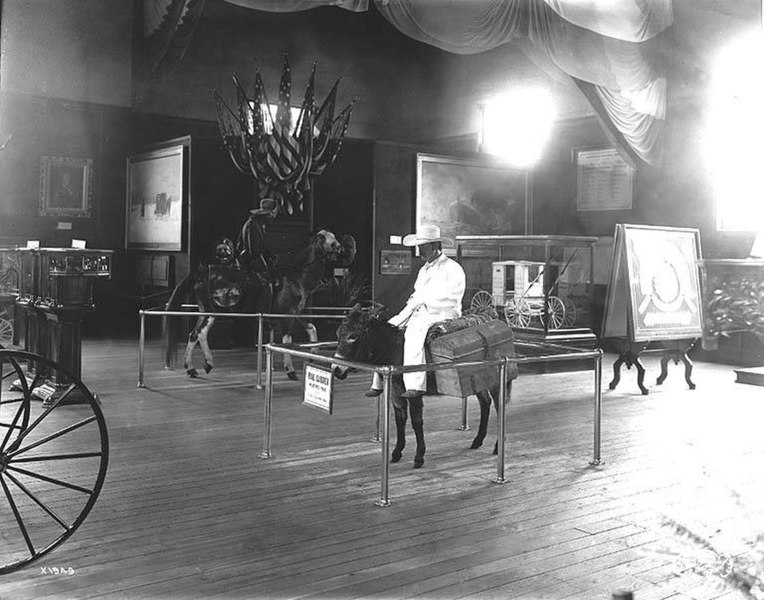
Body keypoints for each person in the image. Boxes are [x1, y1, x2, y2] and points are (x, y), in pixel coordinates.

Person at [366, 224, 466, 399]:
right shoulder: (424, 270)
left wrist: (425, 303)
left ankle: (415, 385)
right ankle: (378, 381)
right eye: (419, 247)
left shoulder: (453, 268)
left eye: (423, 247)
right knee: (387, 329)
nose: (420, 252)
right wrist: (413, 305)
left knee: (414, 332)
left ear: (436, 246)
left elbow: (453, 298)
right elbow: (417, 294)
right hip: (421, 310)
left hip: (443, 313)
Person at [236, 198, 279, 277]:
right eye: (271, 216)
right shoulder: (252, 226)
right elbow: (254, 252)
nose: (273, 218)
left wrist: (271, 256)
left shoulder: (260, 225)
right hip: (248, 265)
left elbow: (262, 247)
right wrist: (265, 269)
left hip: (254, 262)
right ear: (267, 215)